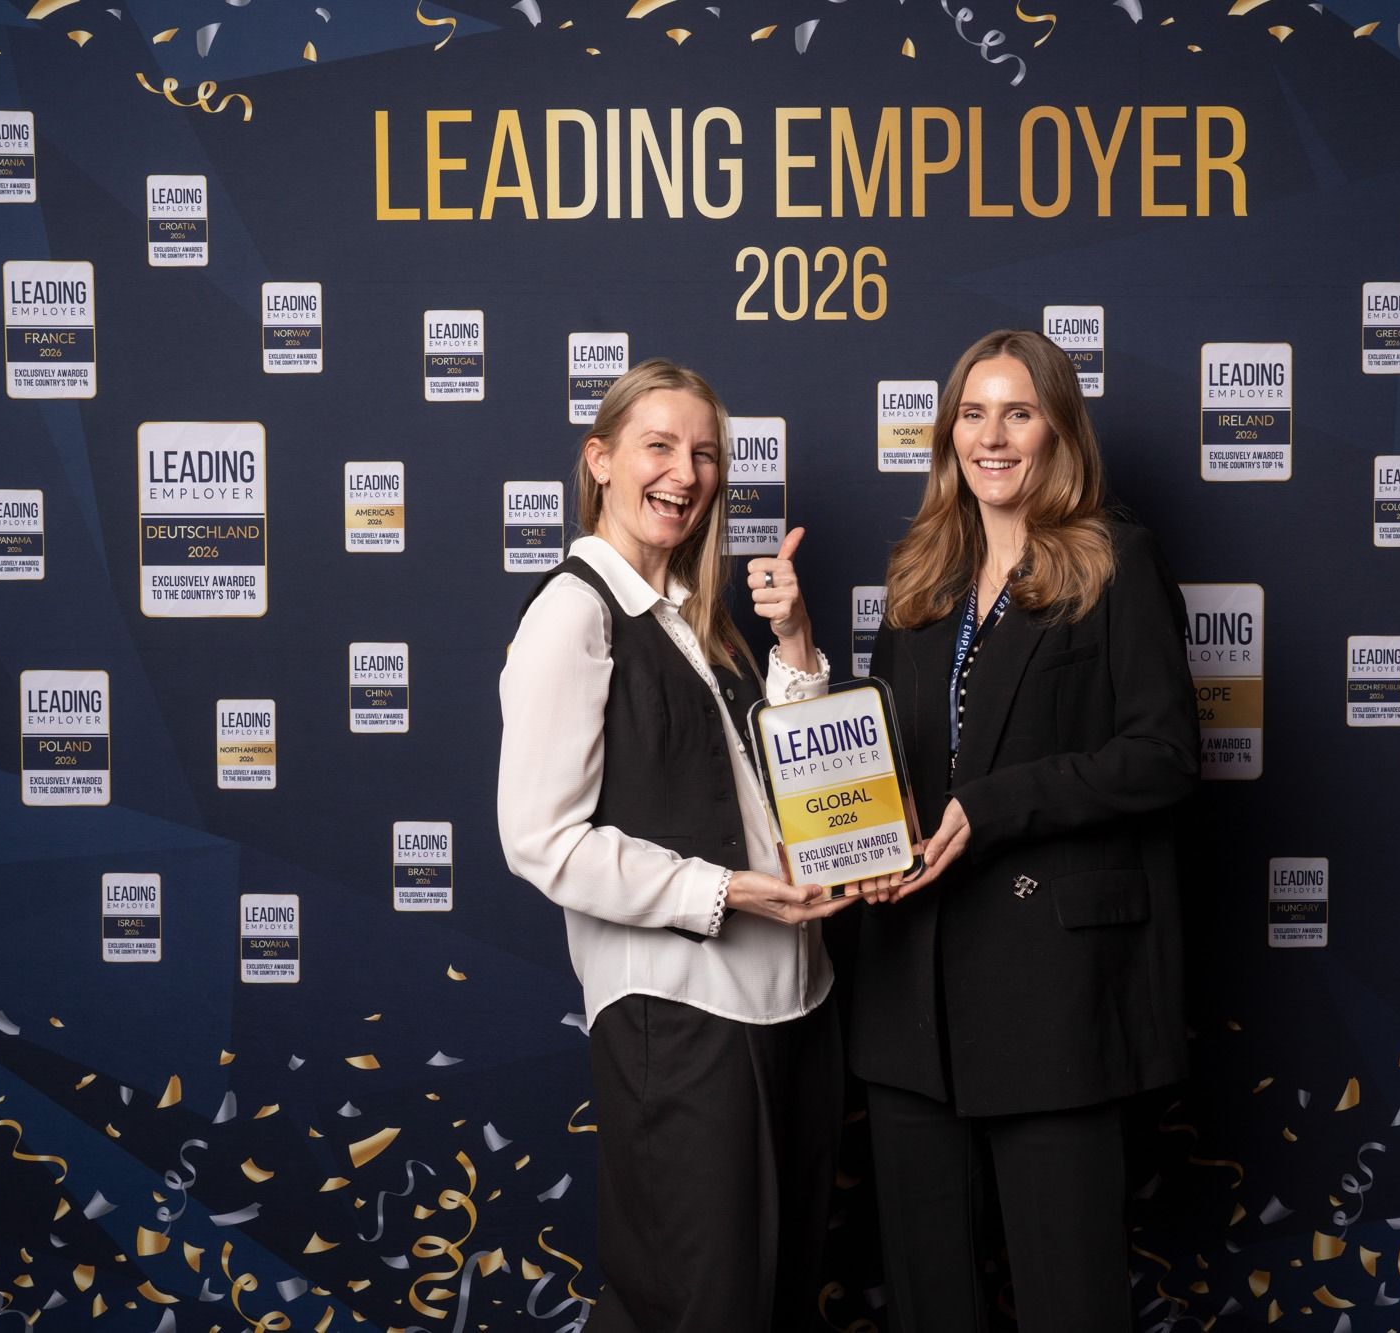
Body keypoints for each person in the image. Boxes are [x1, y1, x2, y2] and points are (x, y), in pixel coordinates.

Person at [851, 329, 1201, 1332]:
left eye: (1017, 411)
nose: (990, 436)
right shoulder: (919, 579)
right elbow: (886, 762)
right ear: (945, 432)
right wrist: (864, 839)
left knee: (1068, 1302)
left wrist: (998, 804)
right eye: (971, 412)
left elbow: (1165, 753)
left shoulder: (1112, 559)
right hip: (910, 993)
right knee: (929, 1303)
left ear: (1057, 428)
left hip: (1052, 996)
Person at [497, 359, 857, 1333]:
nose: (685, 471)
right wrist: (722, 892)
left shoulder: (703, 625)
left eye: (704, 453)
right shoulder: (574, 614)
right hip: (682, 1019)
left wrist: (793, 648)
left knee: (773, 1300)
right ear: (600, 460)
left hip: (794, 1007)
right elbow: (540, 840)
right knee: (696, 1305)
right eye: (659, 445)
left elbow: (797, 787)